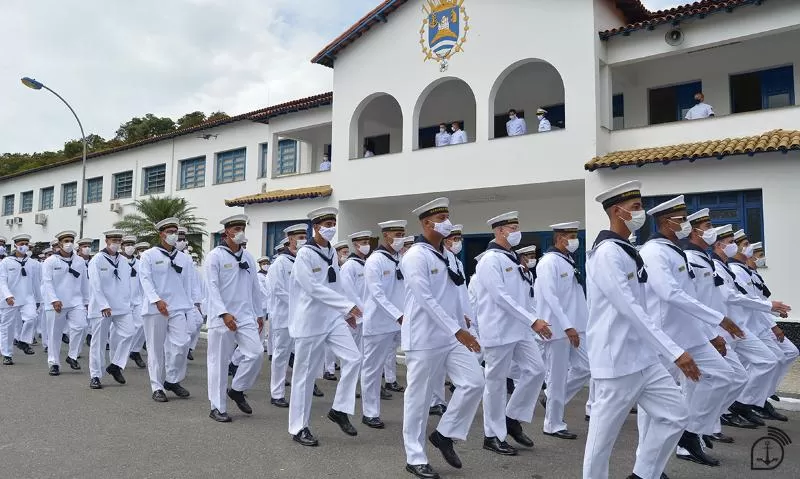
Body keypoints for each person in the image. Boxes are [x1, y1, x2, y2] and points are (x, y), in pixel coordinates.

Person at [583, 181, 695, 479]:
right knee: (601, 440)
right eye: (635, 208)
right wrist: (674, 351)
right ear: (617, 211)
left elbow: (643, 306)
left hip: (644, 357)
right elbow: (629, 307)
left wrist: (662, 348)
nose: (641, 212)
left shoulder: (628, 249)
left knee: (675, 415)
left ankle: (644, 474)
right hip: (617, 359)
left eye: (640, 206)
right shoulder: (607, 253)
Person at [638, 196, 745, 467]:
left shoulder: (675, 250)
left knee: (723, 377)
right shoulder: (654, 251)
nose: (686, 223)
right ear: (666, 221)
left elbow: (691, 295)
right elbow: (669, 292)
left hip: (691, 332)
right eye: (682, 219)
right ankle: (646, 461)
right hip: (665, 335)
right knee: (652, 405)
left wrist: (708, 330)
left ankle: (690, 433)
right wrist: (718, 318)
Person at [401, 197, 485, 479]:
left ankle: (444, 434)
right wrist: (457, 330)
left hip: (451, 335)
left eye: (448, 216)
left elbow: (456, 293)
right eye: (441, 218)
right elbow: (425, 298)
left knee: (474, 382)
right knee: (419, 398)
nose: (447, 222)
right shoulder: (414, 256)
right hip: (425, 336)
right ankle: (415, 457)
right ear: (427, 223)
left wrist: (466, 326)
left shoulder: (447, 255)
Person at [476, 212, 550, 456]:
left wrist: (533, 322)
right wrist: (533, 320)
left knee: (537, 370)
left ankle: (511, 418)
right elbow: (500, 297)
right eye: (512, 227)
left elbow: (523, 297)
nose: (517, 231)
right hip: (498, 330)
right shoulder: (489, 260)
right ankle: (492, 435)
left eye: (517, 226)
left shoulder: (513, 258)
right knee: (495, 384)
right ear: (499, 231)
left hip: (519, 330)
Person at [288, 207, 363, 447]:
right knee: (305, 377)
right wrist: (345, 305)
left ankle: (340, 410)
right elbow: (311, 287)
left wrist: (346, 312)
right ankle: (299, 427)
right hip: (310, 321)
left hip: (331, 318)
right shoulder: (305, 254)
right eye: (327, 223)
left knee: (353, 358)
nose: (331, 227)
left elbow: (336, 282)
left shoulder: (330, 251)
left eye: (333, 222)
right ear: (316, 227)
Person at [710, 225, 788, 427]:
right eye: (733, 243)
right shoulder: (718, 266)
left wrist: (770, 309)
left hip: (738, 327)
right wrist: (770, 308)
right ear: (719, 245)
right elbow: (732, 297)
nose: (737, 246)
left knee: (761, 364)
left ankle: (744, 404)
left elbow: (746, 298)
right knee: (720, 377)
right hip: (723, 328)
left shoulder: (727, 267)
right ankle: (721, 415)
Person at [683, 210, 750, 440]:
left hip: (712, 329)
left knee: (726, 378)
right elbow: (691, 302)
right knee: (702, 384)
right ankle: (694, 434)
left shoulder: (703, 258)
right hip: (701, 330)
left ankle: (699, 431)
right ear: (695, 231)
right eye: (708, 225)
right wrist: (711, 331)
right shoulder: (690, 259)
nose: (712, 229)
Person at [727, 230, 795, 421]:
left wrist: (773, 312)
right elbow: (745, 301)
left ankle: (756, 399)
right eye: (745, 245)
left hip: (753, 324)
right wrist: (773, 324)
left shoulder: (746, 271)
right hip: (746, 325)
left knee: (775, 359)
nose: (753, 251)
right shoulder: (736, 271)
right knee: (753, 365)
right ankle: (745, 403)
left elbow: (757, 300)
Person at [205, 214, 265, 422]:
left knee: (256, 353)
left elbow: (255, 288)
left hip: (246, 315)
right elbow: (211, 287)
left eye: (242, 227)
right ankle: (217, 407)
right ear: (226, 233)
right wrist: (223, 313)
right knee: (219, 363)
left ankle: (238, 389)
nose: (240, 231)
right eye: (235, 228)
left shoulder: (248, 257)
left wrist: (259, 313)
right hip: (222, 317)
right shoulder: (215, 256)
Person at [536, 222, 590, 440]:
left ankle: (550, 397)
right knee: (557, 377)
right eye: (570, 235)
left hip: (576, 326)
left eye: (575, 235)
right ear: (559, 238)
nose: (574, 240)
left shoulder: (567, 260)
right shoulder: (549, 262)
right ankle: (553, 423)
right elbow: (551, 296)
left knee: (587, 367)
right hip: (558, 328)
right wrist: (567, 326)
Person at [138, 218, 194, 402]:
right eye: (170, 231)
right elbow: (145, 280)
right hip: (156, 308)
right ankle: (157, 386)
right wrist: (156, 300)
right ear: (161, 234)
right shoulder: (149, 255)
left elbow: (187, 284)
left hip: (177, 306)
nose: (173, 235)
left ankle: (172, 379)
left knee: (182, 343)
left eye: (175, 232)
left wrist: (189, 306)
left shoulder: (183, 258)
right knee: (155, 349)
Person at [361, 221, 406, 429]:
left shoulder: (400, 258)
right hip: (379, 323)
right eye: (397, 234)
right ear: (386, 236)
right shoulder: (375, 261)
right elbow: (377, 293)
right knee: (372, 368)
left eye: (403, 234)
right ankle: (370, 413)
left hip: (400, 322)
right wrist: (398, 314)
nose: (401, 238)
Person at [749, 242, 800, 406]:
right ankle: (751, 399)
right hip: (755, 326)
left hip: (763, 323)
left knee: (788, 353)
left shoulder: (754, 274)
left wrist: (776, 311)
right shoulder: (740, 273)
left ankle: (766, 392)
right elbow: (751, 305)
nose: (762, 258)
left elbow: (761, 303)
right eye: (759, 254)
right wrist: (774, 325)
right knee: (768, 361)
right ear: (751, 255)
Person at [87, 230, 136, 390]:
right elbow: (95, 284)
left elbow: (127, 284)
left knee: (129, 333)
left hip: (121, 306)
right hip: (102, 308)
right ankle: (95, 375)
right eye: (113, 240)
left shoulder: (123, 261)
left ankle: (115, 365)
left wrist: (129, 302)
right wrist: (103, 304)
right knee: (98, 343)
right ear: (106, 241)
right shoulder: (97, 260)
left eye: (118, 240)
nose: (116, 243)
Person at [269, 224, 308, 408]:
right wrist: (299, 304)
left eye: (304, 236)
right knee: (281, 355)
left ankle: (300, 391)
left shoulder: (304, 260)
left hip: (302, 317)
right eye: (299, 237)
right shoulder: (279, 263)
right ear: (290, 239)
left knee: (301, 355)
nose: (303, 240)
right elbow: (278, 290)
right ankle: (277, 393)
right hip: (284, 316)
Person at [41, 230, 89, 375]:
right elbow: (47, 282)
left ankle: (72, 356)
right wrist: (54, 299)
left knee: (81, 326)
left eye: (70, 241)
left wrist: (86, 301)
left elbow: (84, 282)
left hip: (75, 301)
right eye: (66, 241)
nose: (68, 244)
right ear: (59, 243)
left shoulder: (79, 261)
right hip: (57, 302)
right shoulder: (50, 261)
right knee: (55, 334)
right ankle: (54, 363)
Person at [0, 235, 40, 364]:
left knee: (32, 317)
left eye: (26, 244)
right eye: (22, 243)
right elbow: (2, 281)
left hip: (28, 297)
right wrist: (7, 295)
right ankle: (7, 354)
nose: (25, 246)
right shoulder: (6, 262)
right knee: (7, 328)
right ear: (16, 245)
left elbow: (36, 282)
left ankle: (23, 341)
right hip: (10, 299)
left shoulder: (32, 263)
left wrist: (38, 298)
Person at [340, 230, 372, 355]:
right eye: (364, 242)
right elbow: (348, 292)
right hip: (355, 314)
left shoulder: (367, 263)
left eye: (368, 242)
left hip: (366, 314)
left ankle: (361, 375)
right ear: (356, 245)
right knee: (353, 352)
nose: (367, 245)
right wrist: (360, 311)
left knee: (365, 351)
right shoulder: (349, 266)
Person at [128, 241, 150, 368]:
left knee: (142, 324)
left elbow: (144, 283)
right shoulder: (120, 262)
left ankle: (135, 351)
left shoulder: (140, 264)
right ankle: (118, 357)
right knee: (122, 332)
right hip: (122, 301)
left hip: (138, 299)